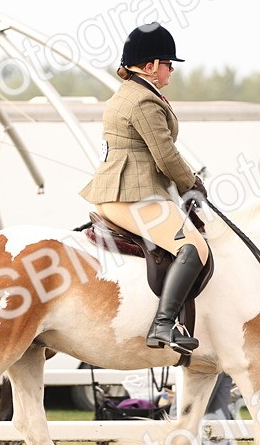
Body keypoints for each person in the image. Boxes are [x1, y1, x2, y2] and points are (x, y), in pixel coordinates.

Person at [79, 22, 207, 355]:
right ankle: (163, 324)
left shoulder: (132, 94)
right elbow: (165, 154)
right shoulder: (144, 101)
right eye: (168, 64)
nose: (171, 71)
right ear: (150, 66)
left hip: (124, 191)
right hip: (132, 194)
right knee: (194, 248)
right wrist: (190, 183)